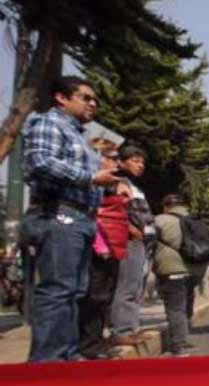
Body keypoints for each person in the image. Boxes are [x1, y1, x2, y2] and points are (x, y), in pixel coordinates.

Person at [21, 76, 121, 362]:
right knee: (58, 290)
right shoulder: (48, 123)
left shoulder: (81, 137)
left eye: (95, 99)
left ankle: (67, 356)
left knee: (75, 292)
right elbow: (40, 162)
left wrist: (105, 183)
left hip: (81, 218)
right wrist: (91, 178)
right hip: (58, 214)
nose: (93, 103)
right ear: (61, 98)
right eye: (85, 97)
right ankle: (48, 362)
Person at [77, 143, 130, 359]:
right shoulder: (91, 185)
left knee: (105, 297)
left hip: (114, 245)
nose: (117, 162)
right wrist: (100, 244)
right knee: (94, 296)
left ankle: (98, 341)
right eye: (112, 157)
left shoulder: (115, 184)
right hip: (100, 246)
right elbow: (93, 214)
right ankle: (89, 346)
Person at [109, 146, 155, 346]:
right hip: (128, 240)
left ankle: (132, 328)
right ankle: (122, 331)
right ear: (121, 162)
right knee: (127, 286)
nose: (140, 165)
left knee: (136, 286)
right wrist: (129, 228)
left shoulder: (135, 186)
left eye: (142, 162)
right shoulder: (117, 182)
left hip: (141, 242)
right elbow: (113, 209)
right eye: (135, 161)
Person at [153, 194, 207, 356]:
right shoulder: (197, 221)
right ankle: (184, 335)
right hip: (196, 271)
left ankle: (179, 345)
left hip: (172, 269)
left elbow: (147, 241)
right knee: (187, 302)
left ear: (166, 206)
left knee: (175, 307)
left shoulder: (160, 220)